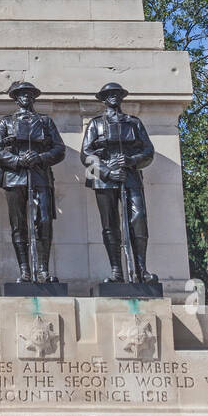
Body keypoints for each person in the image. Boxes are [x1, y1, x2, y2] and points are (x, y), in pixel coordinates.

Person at [81, 81, 157, 283]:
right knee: (110, 224)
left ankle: (141, 270)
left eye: (116, 93)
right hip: (105, 179)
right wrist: (106, 172)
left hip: (130, 176)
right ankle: (116, 270)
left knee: (138, 220)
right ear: (104, 100)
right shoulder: (95, 124)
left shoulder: (134, 122)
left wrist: (132, 160)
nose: (113, 97)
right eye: (109, 94)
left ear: (121, 97)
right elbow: (86, 154)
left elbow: (148, 151)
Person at [0, 82, 65, 283]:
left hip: (39, 175)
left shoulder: (45, 121)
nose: (26, 97)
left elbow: (59, 149)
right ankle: (24, 269)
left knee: (44, 221)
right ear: (16, 98)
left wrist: (40, 157)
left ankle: (42, 269)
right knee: (18, 224)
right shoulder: (6, 123)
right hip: (14, 176)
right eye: (22, 94)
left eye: (30, 94)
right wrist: (16, 160)